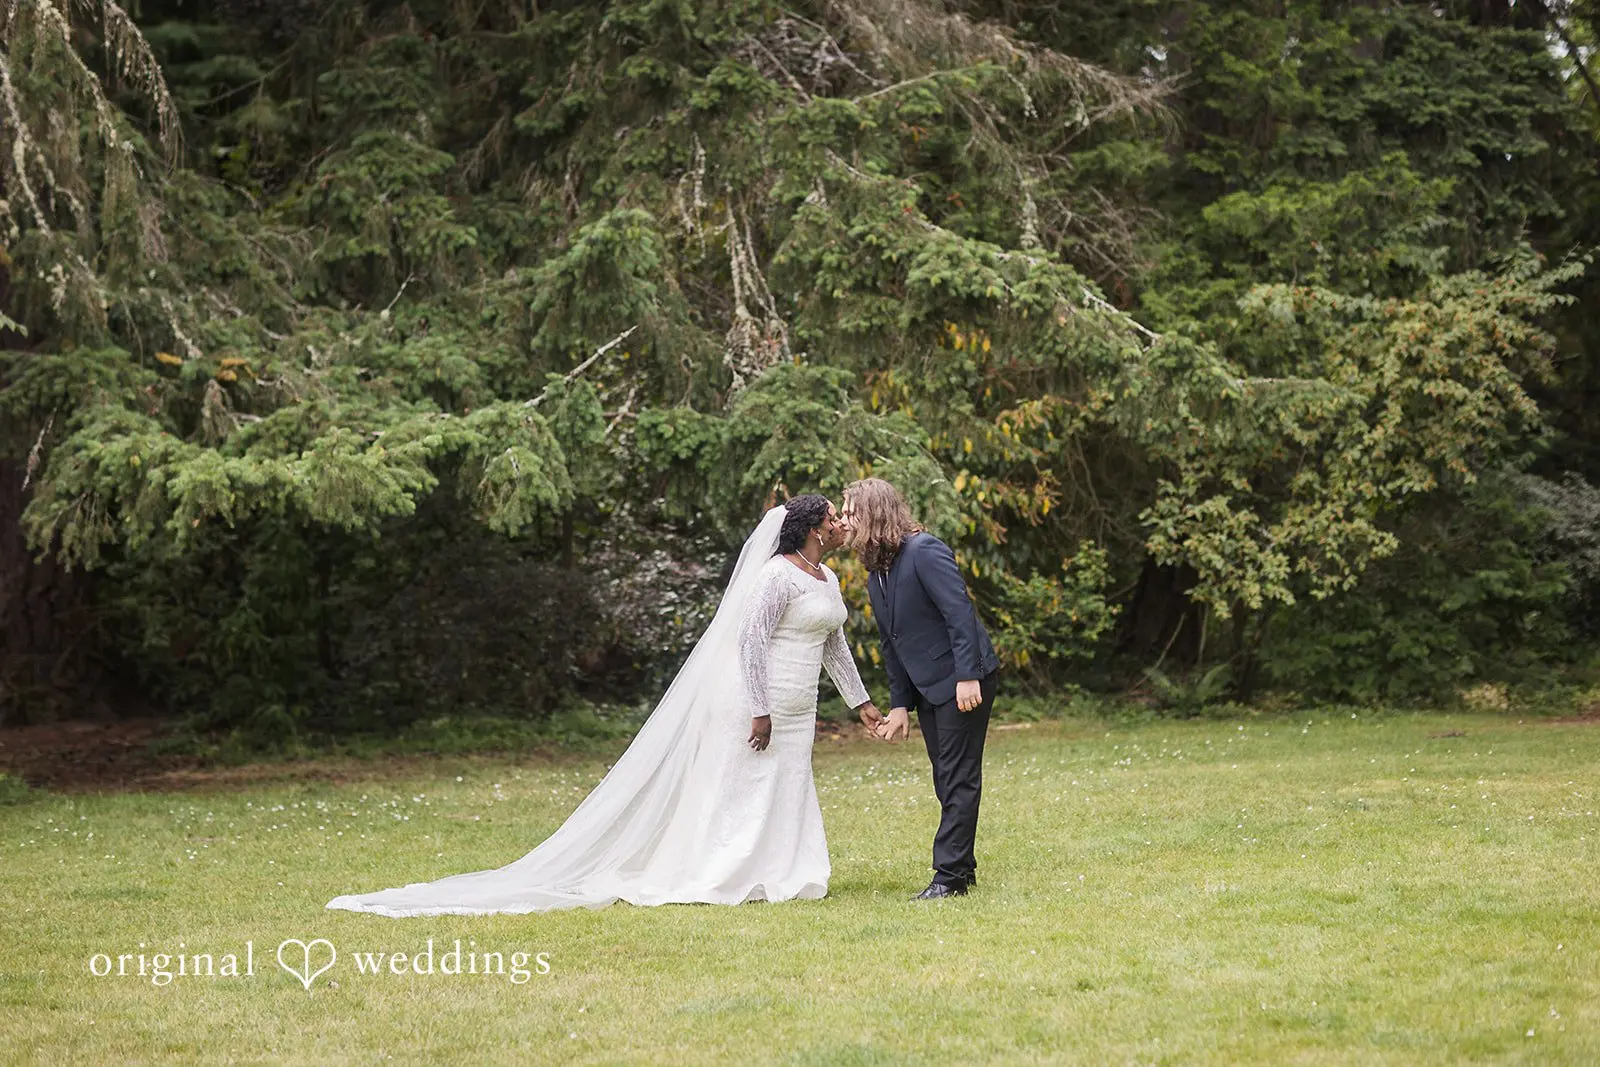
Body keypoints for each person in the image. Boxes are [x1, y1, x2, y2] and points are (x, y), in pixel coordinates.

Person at [325, 495, 879, 916]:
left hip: (800, 703)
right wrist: (760, 706)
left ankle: (781, 869)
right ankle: (722, 871)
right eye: (832, 516)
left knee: (786, 784)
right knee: (741, 786)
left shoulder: (826, 578)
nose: (839, 523)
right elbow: (750, 641)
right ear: (810, 529)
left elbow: (832, 642)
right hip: (756, 700)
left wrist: (861, 702)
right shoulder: (774, 577)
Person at [841, 478, 998, 900]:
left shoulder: (924, 550)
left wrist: (968, 676)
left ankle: (948, 878)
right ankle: (962, 870)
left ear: (873, 513)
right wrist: (899, 707)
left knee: (958, 776)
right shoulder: (878, 570)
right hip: (929, 686)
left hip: (964, 679)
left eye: (850, 511)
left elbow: (959, 613)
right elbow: (893, 644)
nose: (843, 520)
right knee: (946, 777)